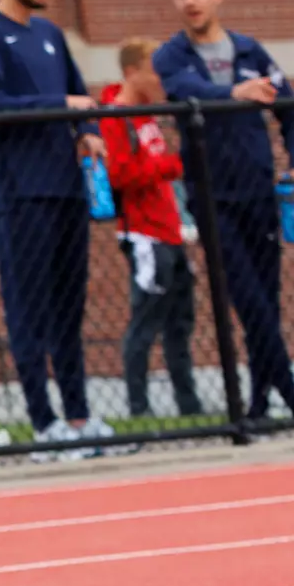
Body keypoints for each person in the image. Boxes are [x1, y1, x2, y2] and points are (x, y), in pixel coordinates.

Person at [0, 0, 113, 459]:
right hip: (20, 195)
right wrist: (60, 104)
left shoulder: (50, 34)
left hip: (67, 187)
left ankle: (79, 417)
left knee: (69, 308)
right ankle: (45, 426)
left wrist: (87, 130)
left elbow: (79, 94)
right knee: (29, 311)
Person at [153, 0, 294, 420]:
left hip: (258, 192)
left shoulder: (250, 50)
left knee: (266, 300)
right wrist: (236, 93)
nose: (190, 1)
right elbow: (187, 90)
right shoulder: (171, 56)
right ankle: (291, 394)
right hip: (213, 199)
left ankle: (257, 404)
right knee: (249, 300)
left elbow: (289, 108)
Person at [99, 38, 202, 420]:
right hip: (143, 234)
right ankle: (139, 408)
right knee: (145, 322)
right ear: (132, 72)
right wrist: (174, 165)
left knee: (180, 322)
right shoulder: (116, 116)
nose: (161, 80)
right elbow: (120, 174)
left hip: (170, 232)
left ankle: (189, 405)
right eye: (154, 72)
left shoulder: (147, 115)